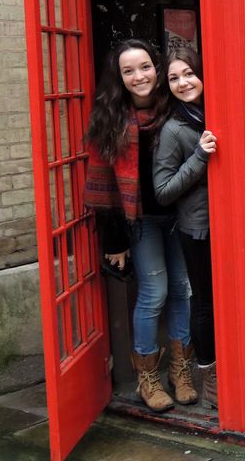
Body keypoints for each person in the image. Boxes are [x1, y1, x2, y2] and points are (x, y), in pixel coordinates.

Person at [83, 39, 195, 413]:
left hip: (180, 215)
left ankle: (181, 371)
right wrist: (114, 242)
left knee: (183, 288)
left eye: (145, 67)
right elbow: (103, 188)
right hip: (140, 219)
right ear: (119, 77)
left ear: (157, 69)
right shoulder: (110, 119)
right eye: (128, 70)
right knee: (154, 293)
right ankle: (148, 377)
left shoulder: (175, 109)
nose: (139, 76)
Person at [153, 48, 218, 409]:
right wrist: (200, 156)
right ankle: (211, 377)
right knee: (205, 304)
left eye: (189, 73)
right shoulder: (173, 130)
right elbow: (163, 191)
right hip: (199, 230)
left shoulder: (218, 111)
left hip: (234, 225)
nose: (183, 82)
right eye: (174, 78)